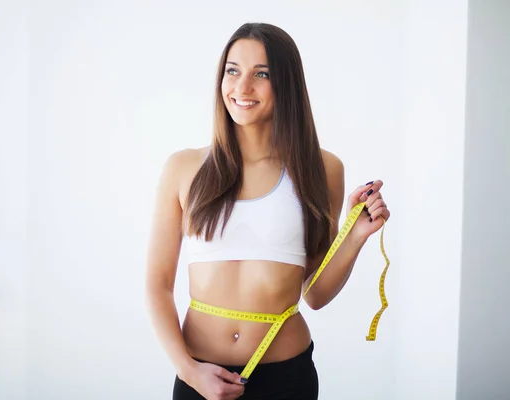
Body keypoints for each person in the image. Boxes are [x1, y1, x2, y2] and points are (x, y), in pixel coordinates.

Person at [145, 22, 390, 400]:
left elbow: (315, 293)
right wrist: (188, 371)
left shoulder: (322, 169)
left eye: (262, 74)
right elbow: (157, 286)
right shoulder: (184, 168)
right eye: (233, 71)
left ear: (286, 84)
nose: (242, 88)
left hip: (286, 376)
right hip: (199, 374)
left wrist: (355, 235)